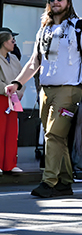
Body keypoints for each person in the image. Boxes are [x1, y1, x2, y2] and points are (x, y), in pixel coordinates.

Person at [7, 0, 82, 198]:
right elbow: (34, 62)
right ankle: (65, 182)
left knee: (53, 134)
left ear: (68, 2)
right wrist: (17, 83)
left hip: (69, 90)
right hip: (46, 91)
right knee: (58, 138)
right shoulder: (44, 30)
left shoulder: (79, 26)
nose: (55, 1)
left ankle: (49, 182)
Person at [0, 30, 23, 175]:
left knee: (12, 131)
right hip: (1, 96)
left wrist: (18, 91)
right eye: (12, 41)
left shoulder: (14, 58)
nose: (14, 43)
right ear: (3, 42)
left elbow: (22, 77)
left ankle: (10, 163)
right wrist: (5, 88)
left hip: (13, 98)